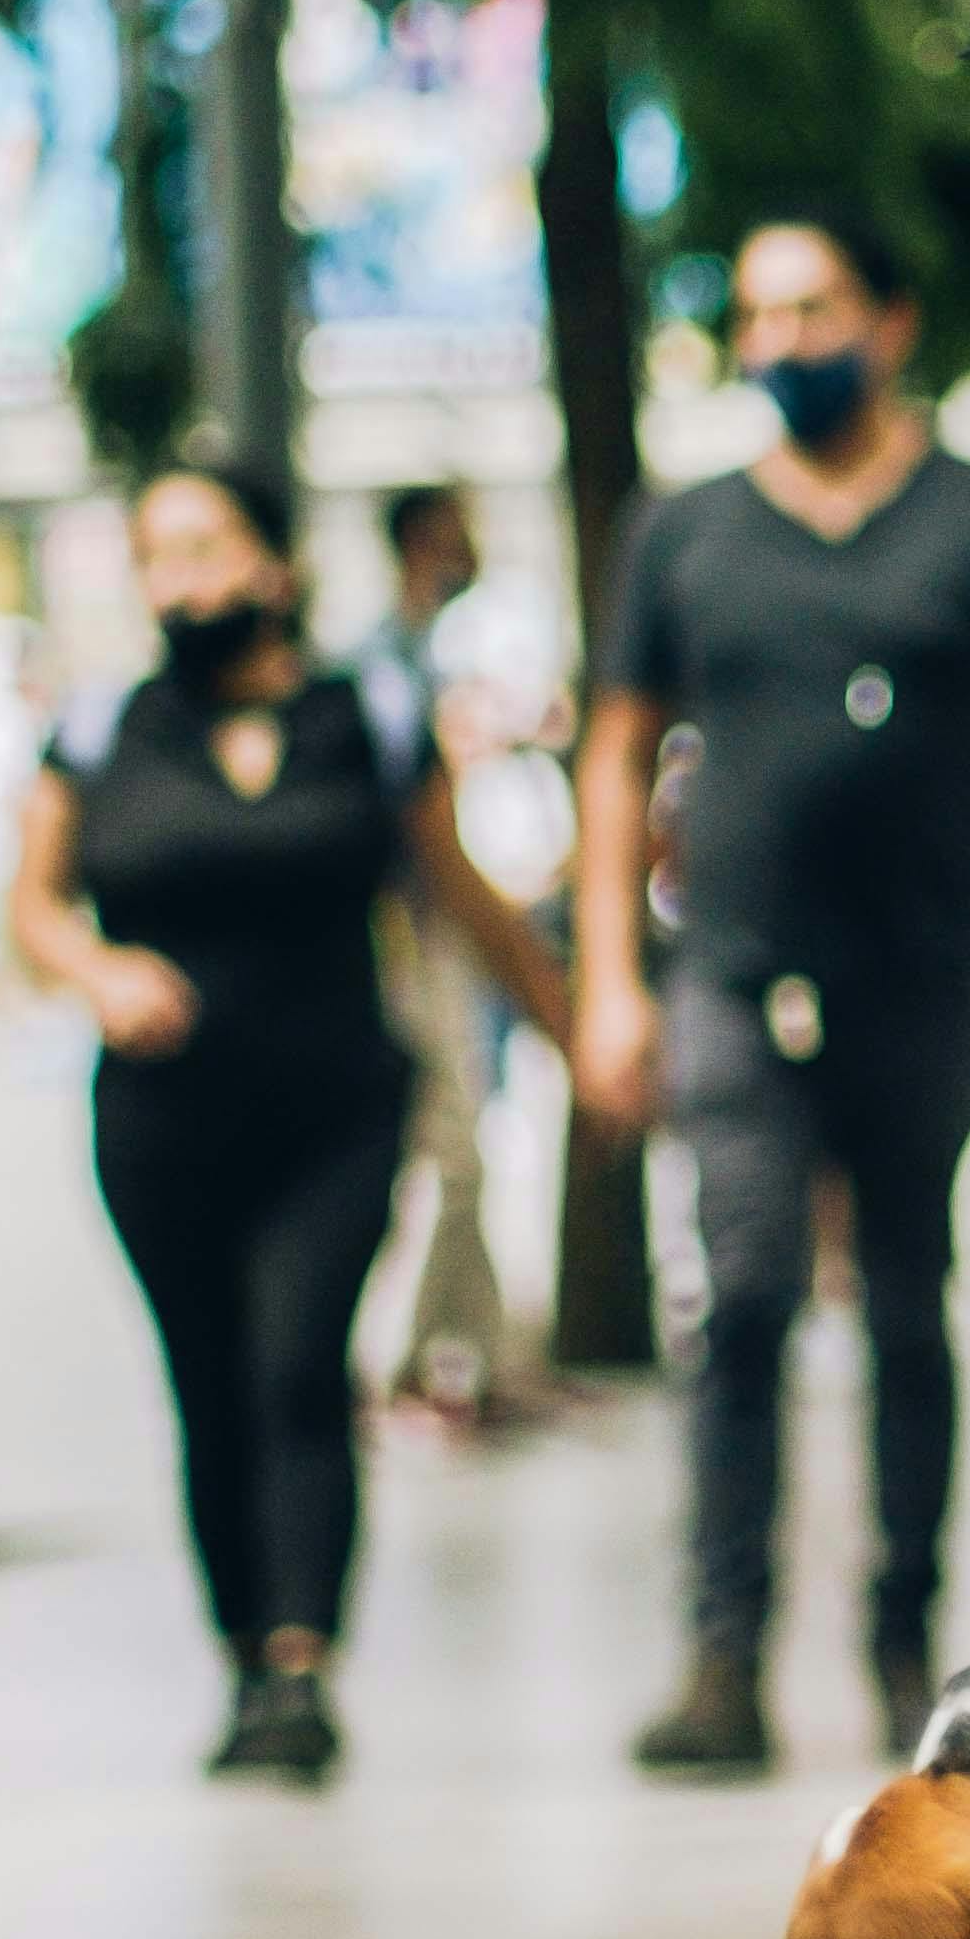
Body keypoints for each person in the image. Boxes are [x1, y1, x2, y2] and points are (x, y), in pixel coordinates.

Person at [572, 209, 970, 1775]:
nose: (782, 344)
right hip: (735, 978)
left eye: (811, 309)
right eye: (755, 317)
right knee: (737, 1295)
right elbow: (616, 752)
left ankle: (900, 1642)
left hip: (923, 978)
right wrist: (609, 978)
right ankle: (723, 1654)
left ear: (891, 321)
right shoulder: (686, 533)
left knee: (903, 1304)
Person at [9, 451, 568, 1778]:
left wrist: (569, 1022)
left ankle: (304, 1663)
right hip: (160, 1125)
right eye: (155, 556)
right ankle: (246, 1654)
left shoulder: (361, 719)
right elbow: (32, 907)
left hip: (337, 1111)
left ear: (275, 562)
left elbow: (465, 892)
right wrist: (99, 972)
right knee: (209, 1388)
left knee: (296, 1368)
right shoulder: (100, 735)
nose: (179, 580)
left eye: (204, 546)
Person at [364, 482, 538, 1416]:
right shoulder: (389, 665)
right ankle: (408, 1363)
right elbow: (422, 831)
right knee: (455, 1150)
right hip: (416, 934)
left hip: (447, 932)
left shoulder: (431, 653)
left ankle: (482, 1359)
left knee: (469, 1146)